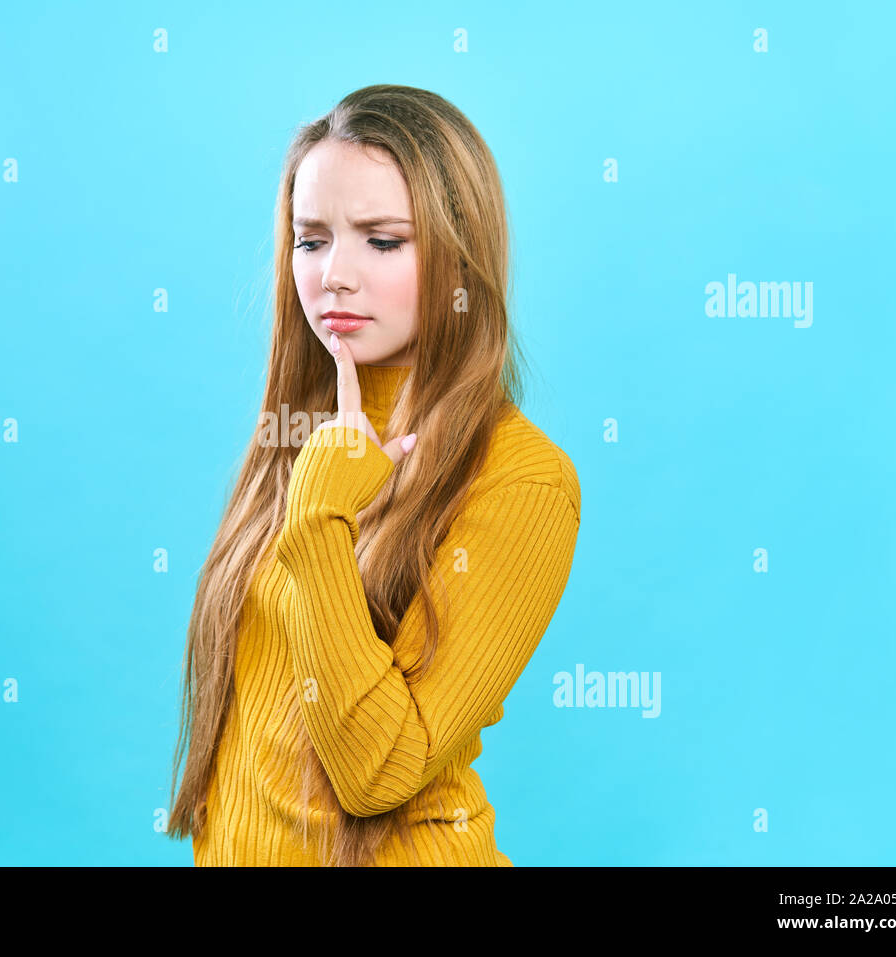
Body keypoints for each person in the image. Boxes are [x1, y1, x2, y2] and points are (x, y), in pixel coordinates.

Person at [167, 84, 581, 866]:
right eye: (312, 239)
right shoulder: (306, 435)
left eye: (383, 241)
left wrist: (321, 520)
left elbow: (377, 771)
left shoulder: (523, 480)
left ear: (462, 252)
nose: (334, 276)